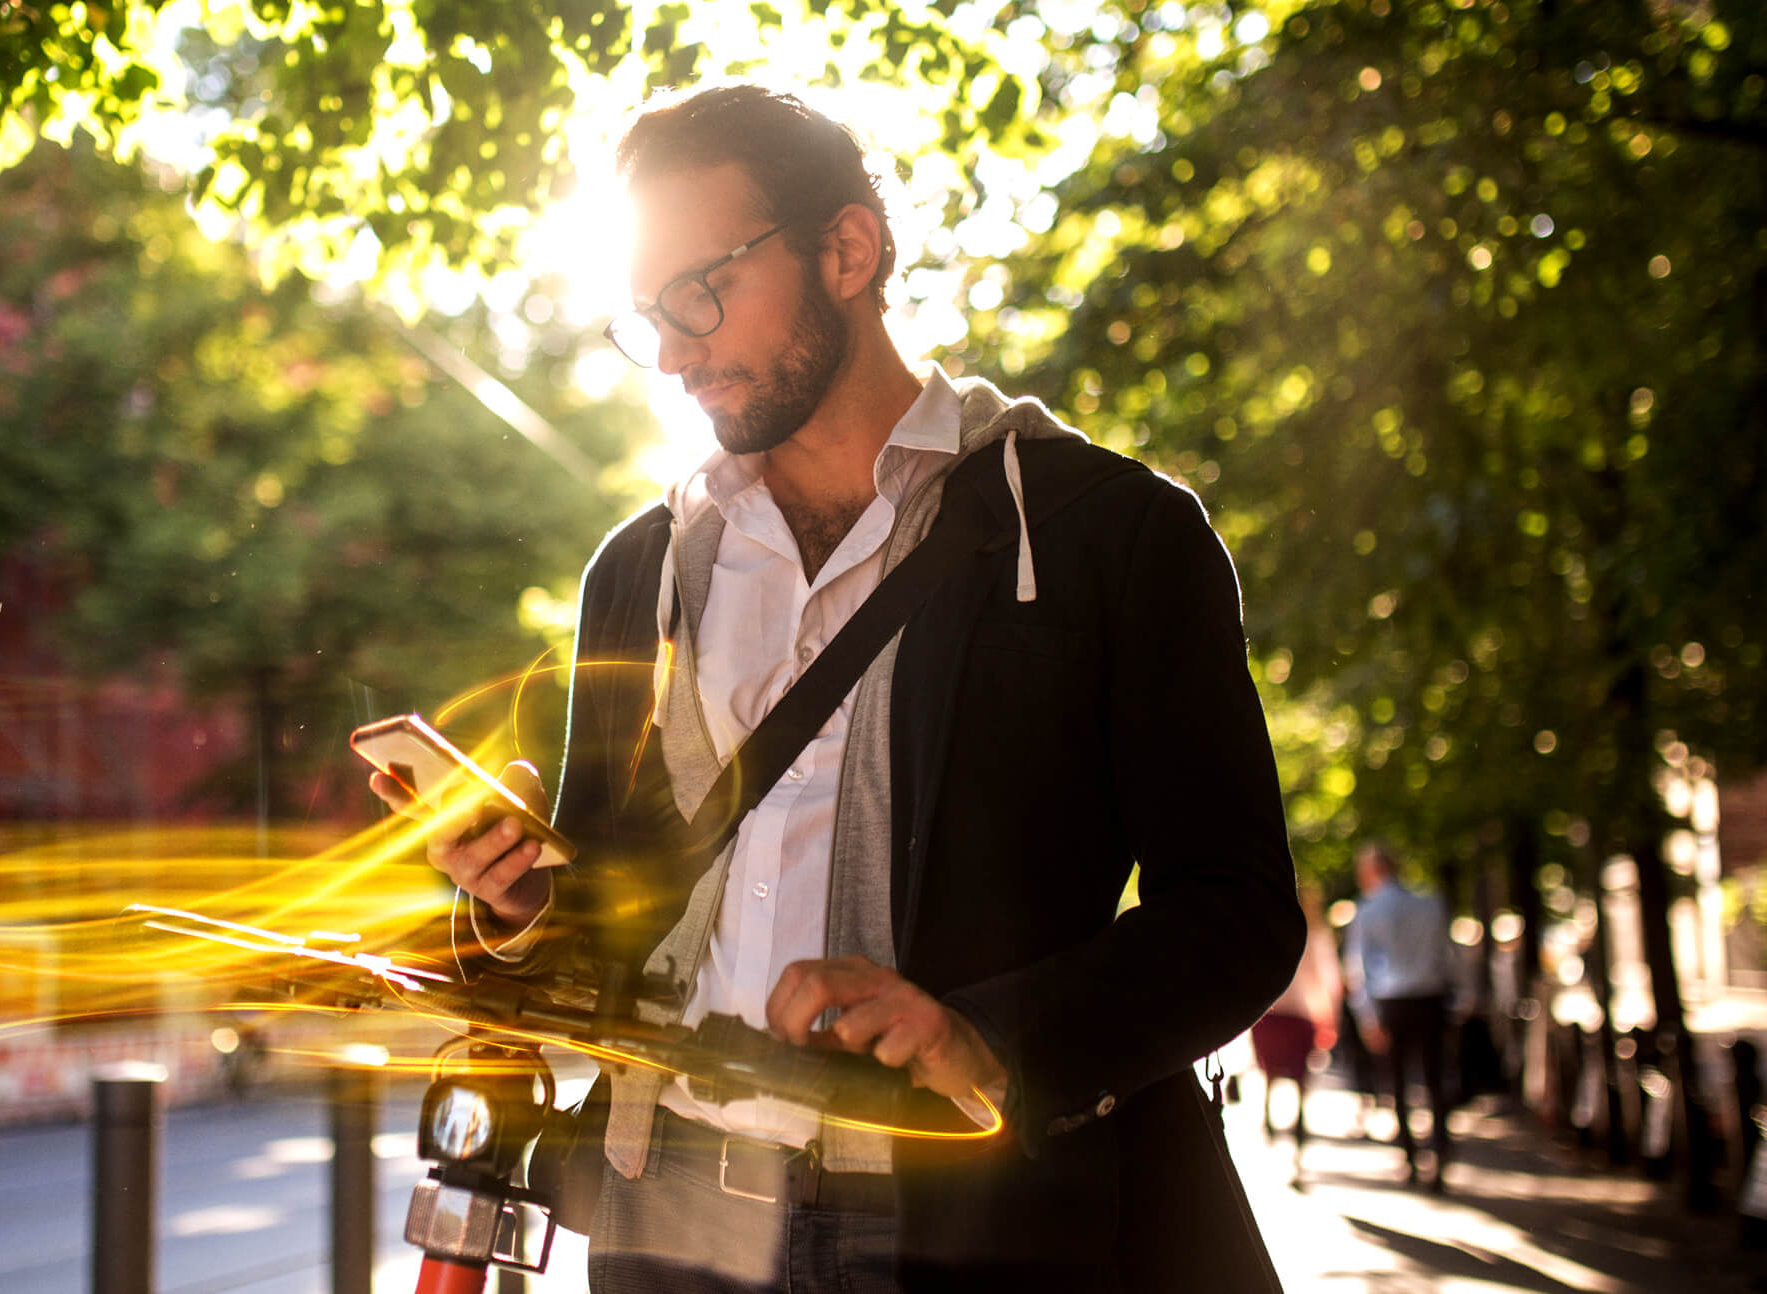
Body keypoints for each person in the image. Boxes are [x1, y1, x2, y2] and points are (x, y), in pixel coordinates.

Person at [373, 83, 1303, 1292]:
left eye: (701, 291)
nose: (670, 349)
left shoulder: (1108, 537)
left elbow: (1236, 913)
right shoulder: (639, 568)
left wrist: (984, 1039)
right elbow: (609, 929)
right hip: (668, 1224)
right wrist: (516, 903)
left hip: (968, 1230)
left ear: (847, 251)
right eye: (645, 313)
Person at [1346, 840, 1455, 1192]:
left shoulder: (1367, 911)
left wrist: (1368, 1017)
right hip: (1429, 999)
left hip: (1392, 1002)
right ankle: (1438, 1153)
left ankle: (1410, 1158)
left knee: (1398, 1084)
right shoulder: (1431, 904)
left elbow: (1358, 969)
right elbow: (1448, 956)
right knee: (1435, 1080)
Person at [1250, 883, 1342, 1185]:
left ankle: (1269, 1127)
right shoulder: (1315, 935)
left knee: (1270, 1077)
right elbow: (1329, 981)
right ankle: (1297, 1155)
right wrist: (1329, 1020)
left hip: (1271, 1015)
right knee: (1301, 1084)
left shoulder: (1266, 928)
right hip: (1301, 1015)